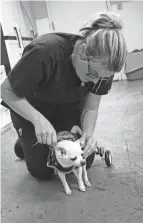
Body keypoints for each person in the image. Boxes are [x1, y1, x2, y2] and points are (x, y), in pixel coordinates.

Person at [1, 12, 127, 180]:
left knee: (84, 159)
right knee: (42, 171)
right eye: (93, 74)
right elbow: (6, 90)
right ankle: (25, 144)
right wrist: (38, 120)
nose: (97, 82)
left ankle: (41, 139)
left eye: (103, 79)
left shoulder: (104, 69)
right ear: (82, 52)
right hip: (30, 107)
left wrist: (87, 134)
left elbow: (91, 106)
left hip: (68, 106)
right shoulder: (45, 52)